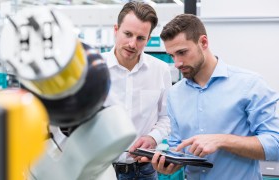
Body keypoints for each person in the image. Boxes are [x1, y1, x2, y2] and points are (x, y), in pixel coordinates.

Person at [140, 14, 279, 180]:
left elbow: (275, 144)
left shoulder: (249, 84)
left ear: (203, 42)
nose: (177, 63)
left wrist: (222, 140)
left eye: (182, 52)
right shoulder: (175, 94)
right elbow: (177, 147)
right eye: (172, 55)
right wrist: (169, 164)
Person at [101, 1, 172, 180]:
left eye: (140, 38)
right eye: (127, 34)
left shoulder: (160, 70)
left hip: (142, 172)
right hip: (99, 170)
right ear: (116, 30)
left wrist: (153, 138)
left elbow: (167, 116)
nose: (132, 44)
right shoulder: (94, 69)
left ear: (148, 39)